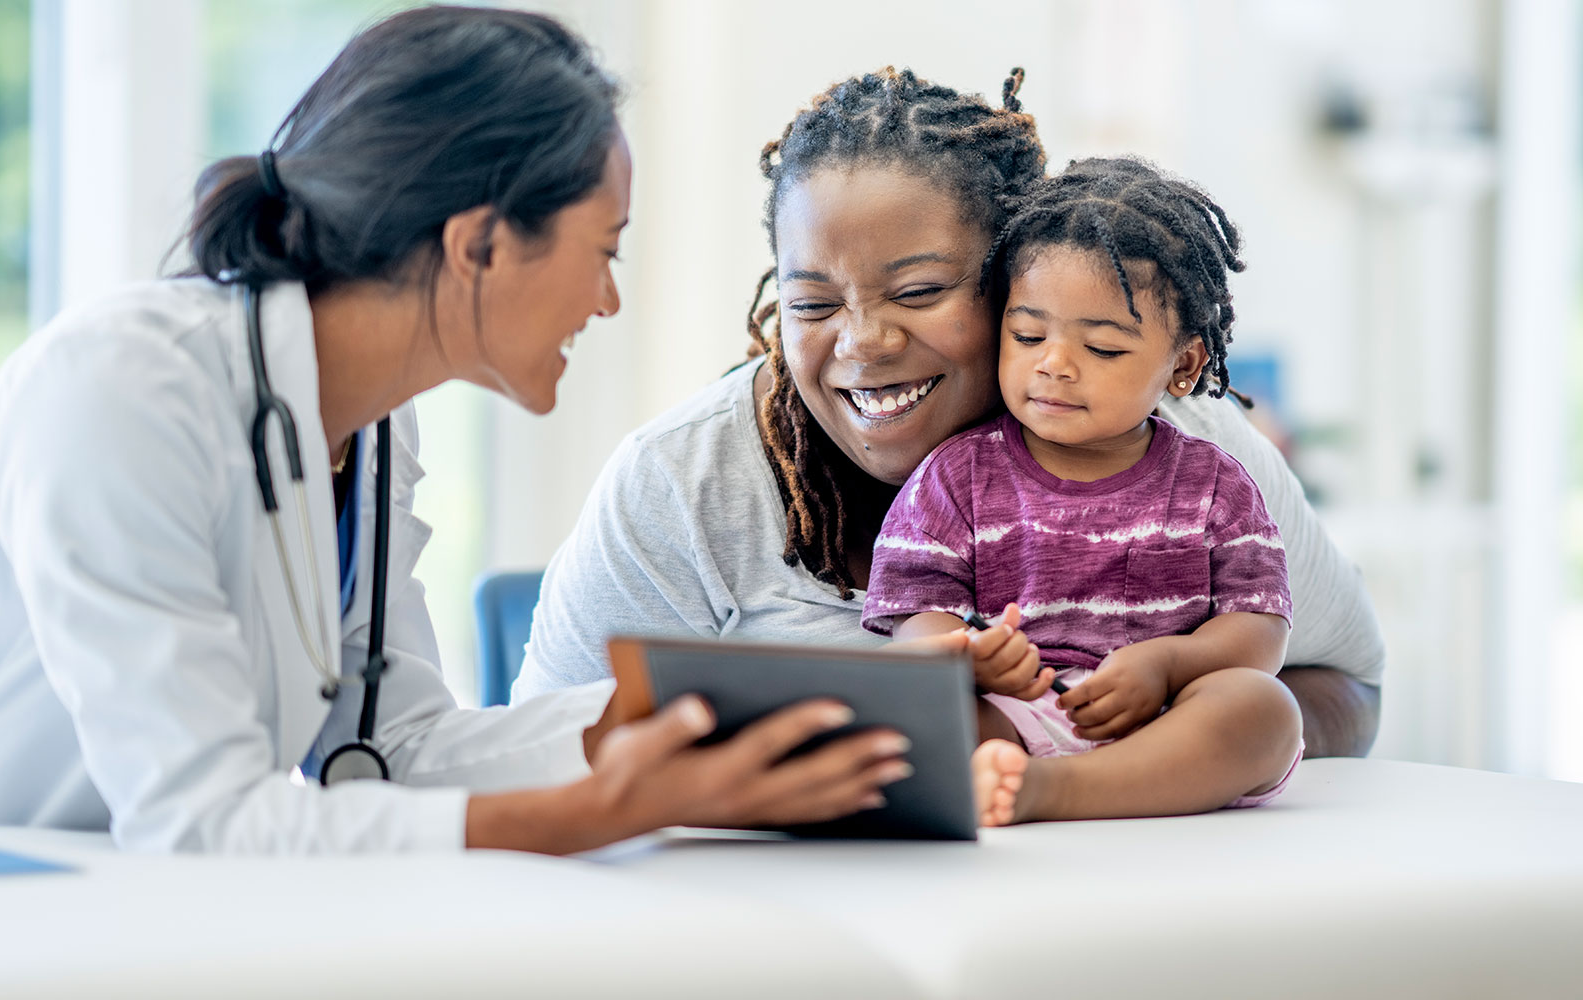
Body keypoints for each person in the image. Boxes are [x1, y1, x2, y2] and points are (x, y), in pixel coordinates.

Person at [0, 6, 914, 854]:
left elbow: (392, 746)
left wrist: (694, 717)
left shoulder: (376, 423)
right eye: (604, 250)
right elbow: (200, 820)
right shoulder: (120, 386)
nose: (608, 298)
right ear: (479, 246)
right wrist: (591, 814)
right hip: (35, 902)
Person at [518, 67, 1386, 759]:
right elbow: (544, 748)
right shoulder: (680, 481)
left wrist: (1138, 743)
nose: (861, 343)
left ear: (1021, 275)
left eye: (922, 291)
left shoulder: (1183, 445)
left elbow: (1348, 687)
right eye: (812, 304)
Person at [862, 158, 1303, 824]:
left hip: (1167, 723)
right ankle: (1015, 778)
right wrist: (971, 658)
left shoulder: (1214, 485)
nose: (1054, 364)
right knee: (910, 714)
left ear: (1183, 365)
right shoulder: (955, 479)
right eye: (1028, 335)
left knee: (1265, 710)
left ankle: (1058, 792)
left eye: (1101, 348)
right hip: (1013, 717)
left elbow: (1260, 631)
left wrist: (1169, 663)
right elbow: (917, 623)